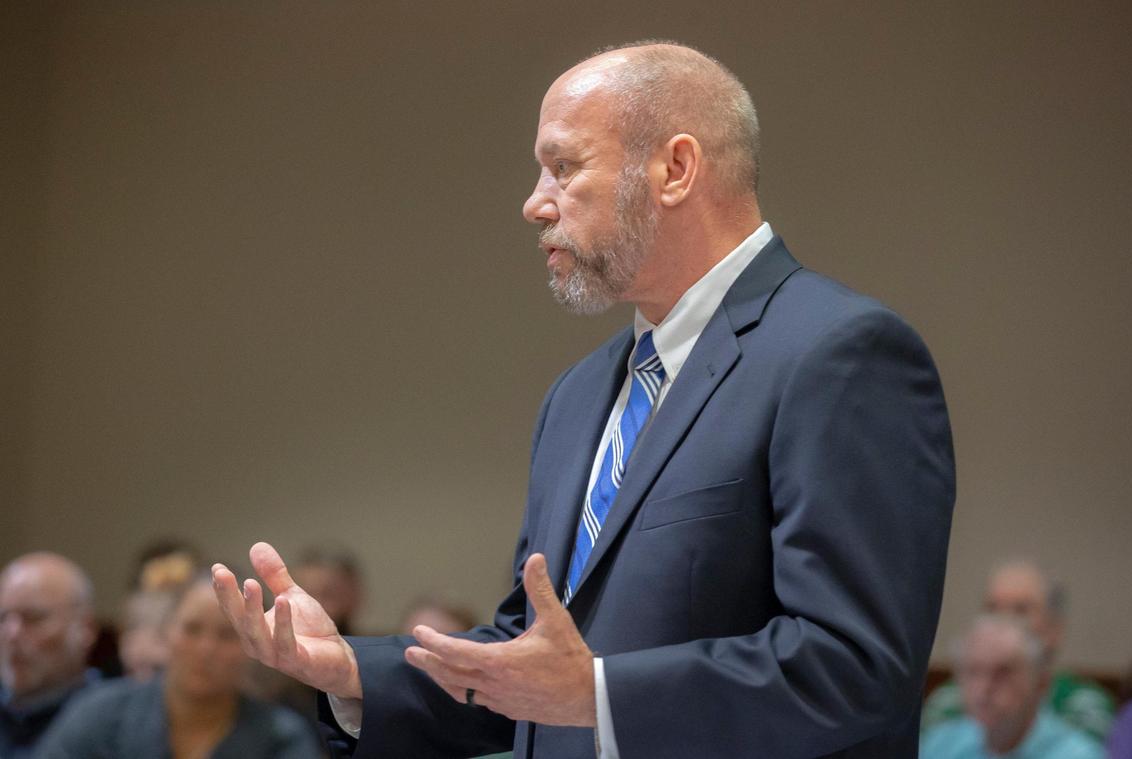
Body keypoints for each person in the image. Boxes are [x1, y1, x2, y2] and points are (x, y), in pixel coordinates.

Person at [213, 40, 956, 758]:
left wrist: (599, 694)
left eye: (562, 168)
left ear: (675, 168)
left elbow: (857, 666)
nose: (535, 204)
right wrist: (349, 666)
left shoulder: (841, 354)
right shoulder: (577, 395)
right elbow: (526, 660)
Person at [36, 572, 320, 758]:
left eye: (227, 635)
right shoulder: (97, 714)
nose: (206, 649)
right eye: (191, 629)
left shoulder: (282, 737)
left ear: (255, 647)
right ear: (166, 632)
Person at [923, 559, 1116, 741]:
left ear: (1054, 629)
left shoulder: (1084, 707)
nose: (1003, 620)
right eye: (992, 609)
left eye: (1020, 610)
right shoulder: (948, 703)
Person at [920, 615, 1103, 758]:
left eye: (1003, 673)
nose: (984, 688)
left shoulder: (1079, 755)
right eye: (974, 671)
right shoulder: (940, 746)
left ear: (1041, 683)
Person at [0, 552, 99, 758]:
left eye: (34, 618)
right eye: (2, 618)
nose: (12, 634)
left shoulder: (114, 721)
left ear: (85, 629)